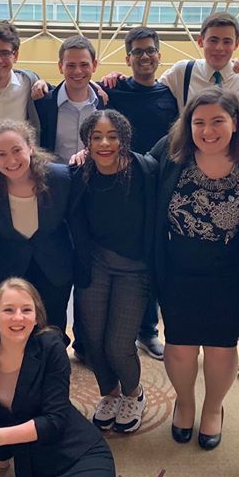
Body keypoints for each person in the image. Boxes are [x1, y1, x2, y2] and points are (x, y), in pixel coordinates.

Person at [0, 278, 211, 477]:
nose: (18, 317)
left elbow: (55, 421)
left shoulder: (50, 346)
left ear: (36, 317)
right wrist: (0, 458)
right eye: (8, 310)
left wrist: (0, 437)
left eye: (26, 310)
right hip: (42, 472)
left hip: (80, 456)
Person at [151, 89, 239, 449]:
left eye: (217, 121)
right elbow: (131, 168)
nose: (208, 130)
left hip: (229, 274)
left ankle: (214, 407)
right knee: (180, 347)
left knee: (220, 348)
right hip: (177, 269)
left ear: (235, 123)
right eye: (199, 122)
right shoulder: (171, 156)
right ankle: (185, 403)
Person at [69, 110, 155, 433]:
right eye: (96, 137)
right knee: (92, 338)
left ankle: (133, 393)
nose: (104, 143)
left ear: (124, 138)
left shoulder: (145, 170)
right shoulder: (80, 173)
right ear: (87, 142)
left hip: (135, 269)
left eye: (112, 136)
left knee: (119, 344)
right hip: (95, 264)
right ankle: (111, 393)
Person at [97, 26, 178, 360]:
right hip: (117, 188)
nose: (144, 57)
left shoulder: (170, 96)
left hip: (156, 188)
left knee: (150, 256)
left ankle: (148, 330)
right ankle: (109, 331)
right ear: (128, 58)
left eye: (150, 50)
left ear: (159, 55)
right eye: (137, 52)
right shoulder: (113, 90)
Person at [0, 120, 74, 341]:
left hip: (54, 265)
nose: (11, 160)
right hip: (10, 265)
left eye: (17, 150)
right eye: (1, 154)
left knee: (53, 327)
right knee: (16, 327)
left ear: (30, 147)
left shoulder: (61, 178)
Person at [100, 12, 239, 115]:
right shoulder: (183, 71)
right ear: (200, 41)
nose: (219, 48)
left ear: (236, 44)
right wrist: (113, 80)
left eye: (227, 41)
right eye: (213, 40)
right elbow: (148, 86)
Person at [35, 35, 106, 164]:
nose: (77, 71)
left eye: (84, 64)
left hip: (95, 175)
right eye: (71, 65)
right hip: (54, 174)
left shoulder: (106, 103)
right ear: (60, 67)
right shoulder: (43, 104)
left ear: (94, 65)